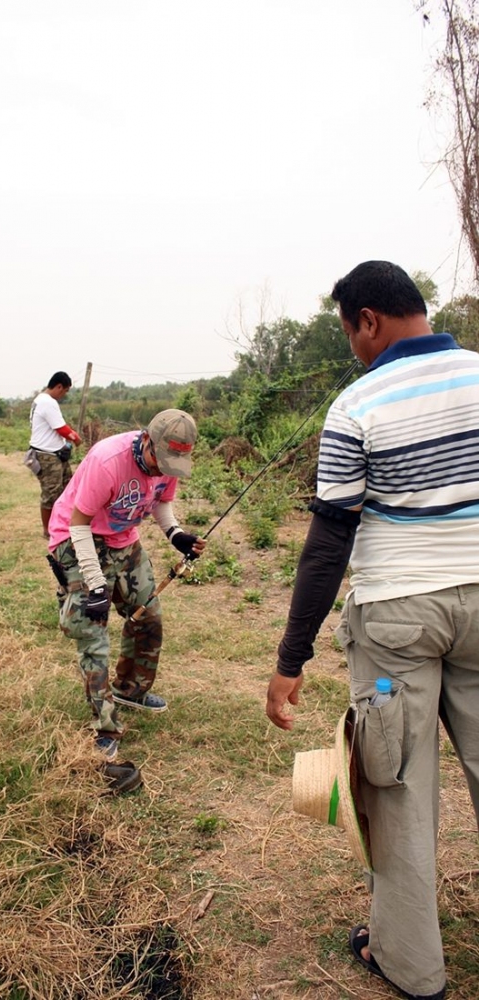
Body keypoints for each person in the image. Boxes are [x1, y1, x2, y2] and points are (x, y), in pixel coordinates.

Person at [265, 260, 479, 1000]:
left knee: (397, 787)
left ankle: (412, 967)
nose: (354, 348)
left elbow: (330, 541)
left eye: (349, 333)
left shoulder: (357, 404)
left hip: (397, 620)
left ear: (368, 321)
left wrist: (291, 657)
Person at [47, 409, 206, 761]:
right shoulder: (108, 460)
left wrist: (175, 534)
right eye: (159, 459)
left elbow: (161, 503)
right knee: (92, 631)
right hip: (77, 540)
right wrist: (96, 584)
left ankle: (130, 690)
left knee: (148, 617)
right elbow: (78, 524)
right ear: (146, 439)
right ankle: (104, 726)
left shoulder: (169, 463)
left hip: (122, 540)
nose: (163, 469)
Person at [26, 372, 82, 538]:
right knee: (51, 494)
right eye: (64, 391)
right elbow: (61, 429)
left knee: (68, 490)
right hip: (47, 456)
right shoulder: (47, 402)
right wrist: (75, 438)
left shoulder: (40, 400)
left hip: (56, 454)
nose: (63, 395)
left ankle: (63, 525)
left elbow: (59, 425)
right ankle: (48, 531)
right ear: (58, 386)